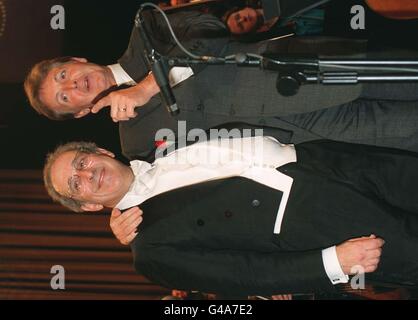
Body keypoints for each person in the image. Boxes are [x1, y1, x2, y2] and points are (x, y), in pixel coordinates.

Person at [42, 127, 418, 295]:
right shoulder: (148, 249)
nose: (87, 174)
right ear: (89, 205)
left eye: (82, 161)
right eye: (77, 184)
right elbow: (245, 275)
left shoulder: (161, 146)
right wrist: (331, 263)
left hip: (327, 160)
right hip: (324, 223)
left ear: (100, 152)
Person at [25, 9, 418, 158]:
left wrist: (147, 86)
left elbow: (209, 31)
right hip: (307, 131)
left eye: (65, 75)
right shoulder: (135, 143)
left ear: (76, 59)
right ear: (78, 113)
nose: (75, 85)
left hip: (304, 68)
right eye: (65, 96)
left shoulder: (145, 30)